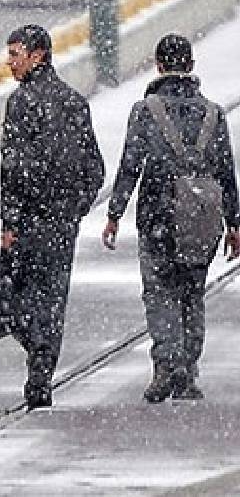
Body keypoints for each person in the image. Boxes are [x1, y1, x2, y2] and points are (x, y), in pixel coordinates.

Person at [102, 34, 240, 403]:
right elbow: (227, 172)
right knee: (193, 291)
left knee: (159, 290)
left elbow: (130, 164)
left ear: (159, 66)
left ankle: (166, 363)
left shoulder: (146, 111)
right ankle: (188, 369)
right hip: (201, 218)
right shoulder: (213, 112)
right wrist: (235, 224)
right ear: (191, 67)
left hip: (157, 215)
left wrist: (115, 213)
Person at [0, 24, 104, 410]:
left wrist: (10, 223)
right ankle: (42, 368)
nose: (10, 63)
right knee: (52, 297)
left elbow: (11, 168)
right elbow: (95, 168)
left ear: (38, 55)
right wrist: (74, 209)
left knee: (21, 297)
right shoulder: (74, 101)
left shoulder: (21, 102)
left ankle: (37, 356)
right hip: (60, 223)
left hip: (30, 221)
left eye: (15, 54)